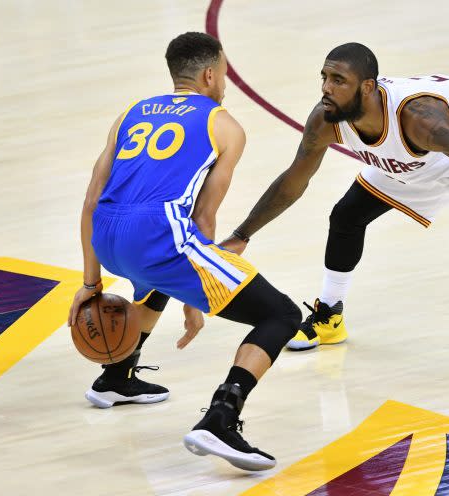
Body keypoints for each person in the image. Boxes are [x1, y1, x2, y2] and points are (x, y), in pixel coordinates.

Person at [221, 43, 449, 398]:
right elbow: (293, 182)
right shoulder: (327, 120)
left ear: (367, 87)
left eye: (337, 80)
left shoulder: (424, 122)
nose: (325, 89)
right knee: (347, 215)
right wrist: (242, 235)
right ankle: (329, 317)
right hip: (416, 158)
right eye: (324, 77)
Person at [67, 32, 300, 470]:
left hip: (109, 237)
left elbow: (92, 198)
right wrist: (201, 297)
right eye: (225, 73)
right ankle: (220, 419)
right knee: (282, 314)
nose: (225, 83)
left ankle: (116, 377)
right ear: (210, 74)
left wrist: (91, 281)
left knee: (160, 272)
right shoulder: (225, 125)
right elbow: (203, 218)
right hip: (159, 237)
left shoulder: (131, 113)